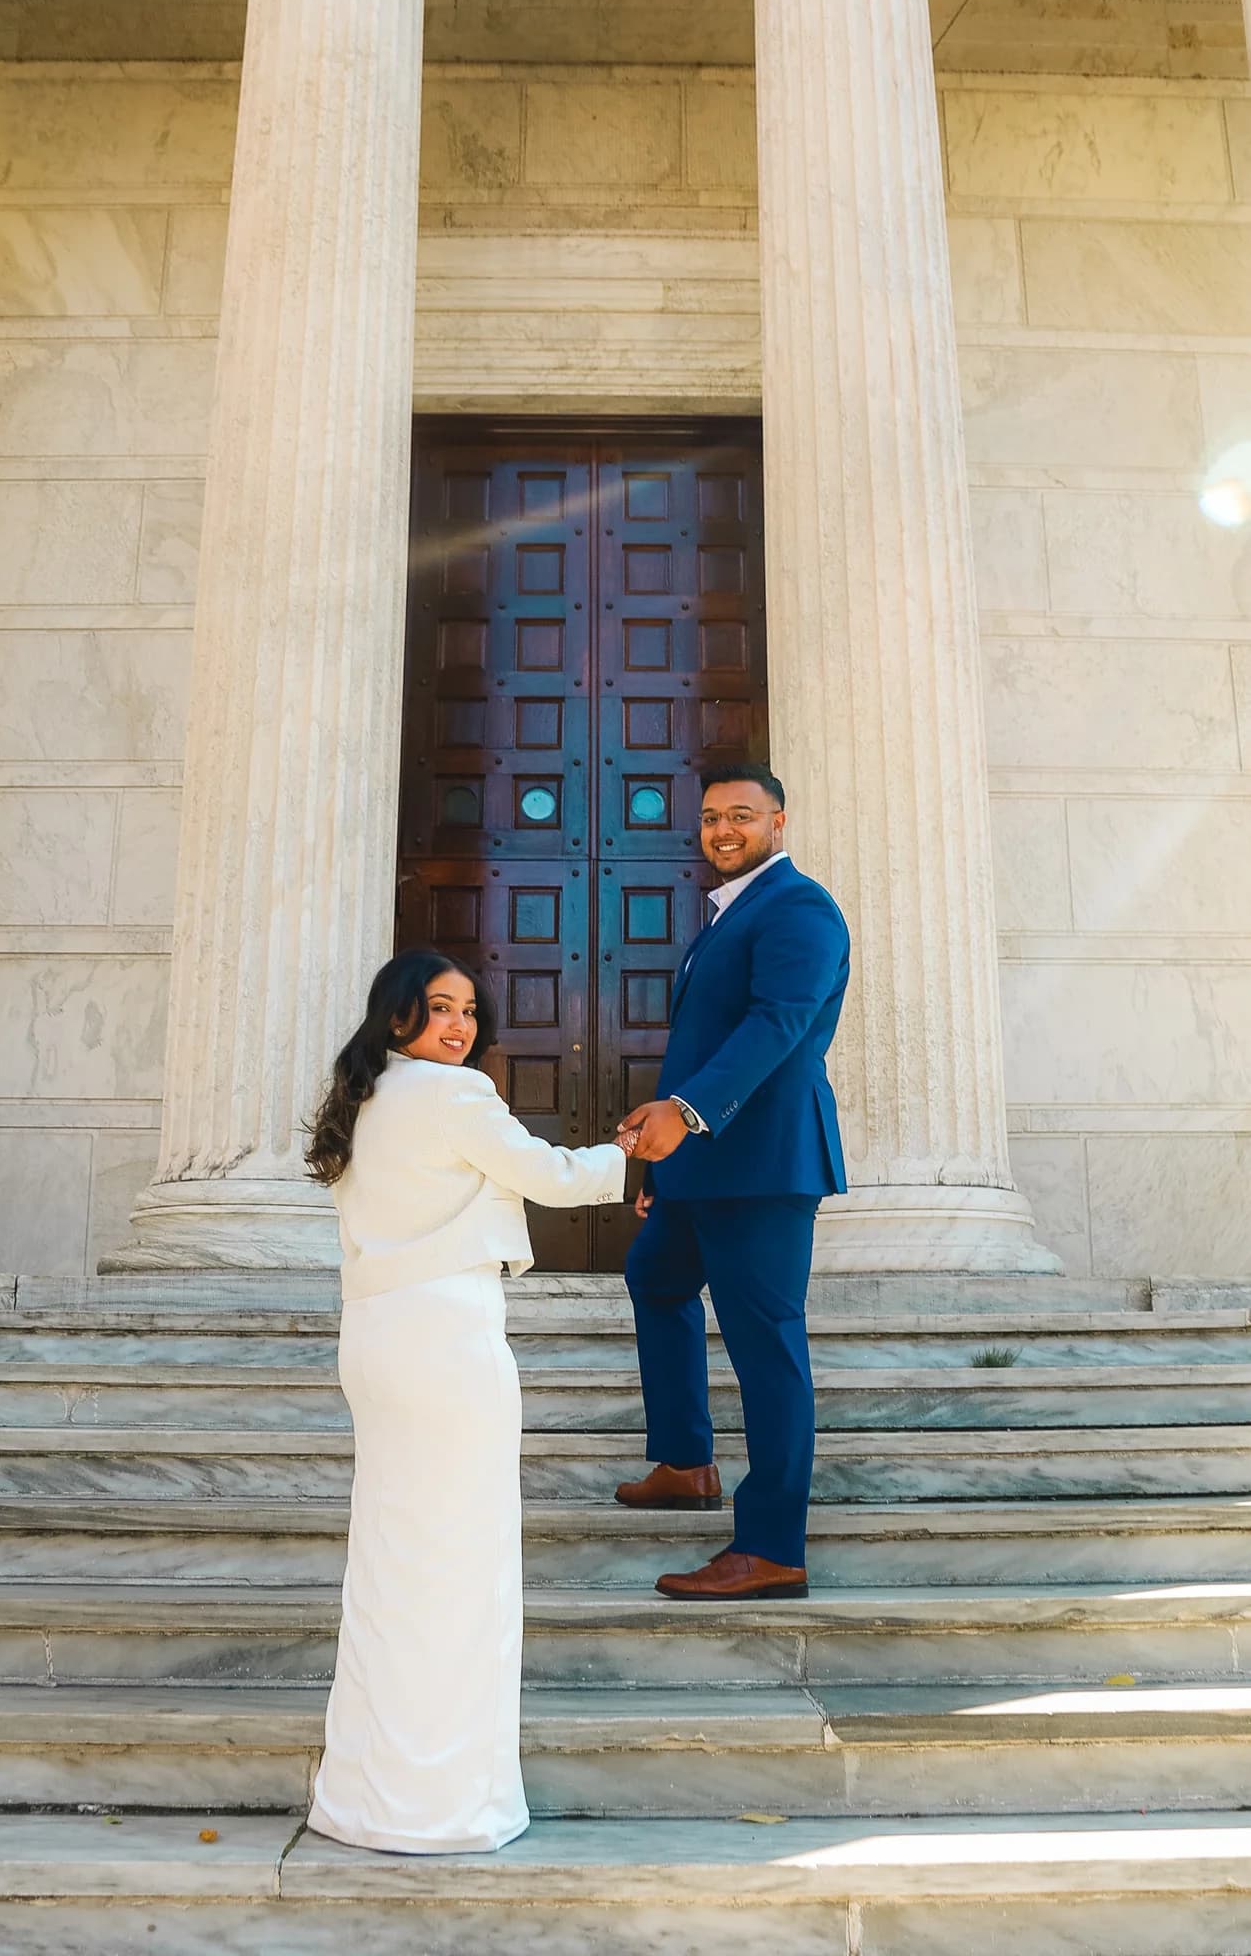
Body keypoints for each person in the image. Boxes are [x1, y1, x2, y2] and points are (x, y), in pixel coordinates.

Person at [302, 948, 627, 1854]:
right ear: (396, 1014)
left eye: (470, 1013)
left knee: (391, 1561)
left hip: (374, 1337)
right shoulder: (455, 1097)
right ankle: (442, 1804)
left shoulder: (362, 1100)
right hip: (446, 1337)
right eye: (439, 1008)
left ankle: (367, 1795)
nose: (460, 1026)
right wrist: (629, 1154)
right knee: (460, 1564)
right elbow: (555, 1178)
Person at [615, 763, 850, 1601]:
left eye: (741, 816)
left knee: (765, 1344)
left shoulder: (800, 908)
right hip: (705, 1164)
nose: (722, 830)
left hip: (764, 1165)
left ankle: (772, 1544)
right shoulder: (727, 914)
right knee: (656, 1275)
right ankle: (684, 1461)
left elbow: (777, 1025)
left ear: (778, 822)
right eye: (712, 816)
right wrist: (669, 1160)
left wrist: (683, 1112)